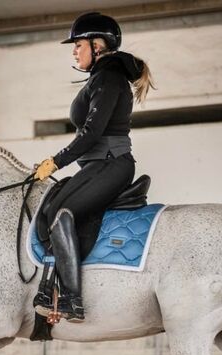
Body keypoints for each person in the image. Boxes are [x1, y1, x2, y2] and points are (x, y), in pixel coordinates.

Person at [33, 11, 155, 323]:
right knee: (53, 208)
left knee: (62, 216)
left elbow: (91, 133)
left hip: (110, 164)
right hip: (99, 165)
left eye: (78, 44)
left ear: (97, 45)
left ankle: (71, 300)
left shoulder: (109, 77)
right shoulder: (103, 76)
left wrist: (55, 161)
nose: (74, 51)